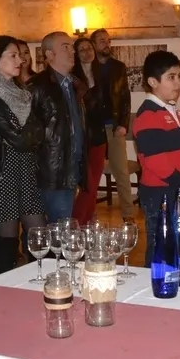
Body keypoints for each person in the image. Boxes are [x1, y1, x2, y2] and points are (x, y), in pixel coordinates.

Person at [0, 35, 44, 274]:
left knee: (38, 233)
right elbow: (18, 138)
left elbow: (38, 128)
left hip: (26, 167)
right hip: (2, 170)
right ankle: (3, 284)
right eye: (13, 55)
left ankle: (40, 280)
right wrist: (31, 134)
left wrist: (31, 134)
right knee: (7, 237)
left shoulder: (23, 91)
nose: (21, 60)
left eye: (20, 55)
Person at [132, 50, 180, 267]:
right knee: (160, 248)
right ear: (152, 82)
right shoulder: (148, 116)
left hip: (179, 190)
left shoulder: (176, 113)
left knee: (176, 245)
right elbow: (157, 163)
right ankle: (149, 291)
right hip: (160, 194)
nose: (177, 83)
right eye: (171, 77)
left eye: (179, 76)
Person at [29, 31, 87, 223]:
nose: (72, 51)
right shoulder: (37, 86)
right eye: (65, 47)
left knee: (63, 225)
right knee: (60, 228)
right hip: (52, 170)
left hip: (72, 165)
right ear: (49, 55)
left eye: (72, 47)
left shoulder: (75, 84)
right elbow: (29, 129)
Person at [90, 29, 135, 223]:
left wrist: (124, 124)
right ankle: (89, 214)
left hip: (114, 126)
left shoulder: (118, 67)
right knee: (90, 173)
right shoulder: (87, 67)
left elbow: (125, 97)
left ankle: (128, 215)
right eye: (102, 41)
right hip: (92, 128)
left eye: (108, 41)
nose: (106, 44)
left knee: (122, 172)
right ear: (93, 44)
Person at [71, 36, 107, 224]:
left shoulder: (101, 73)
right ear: (76, 54)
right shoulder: (73, 76)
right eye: (82, 49)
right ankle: (78, 221)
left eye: (89, 48)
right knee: (87, 183)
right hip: (82, 135)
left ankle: (87, 220)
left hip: (99, 134)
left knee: (94, 182)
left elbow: (107, 103)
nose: (87, 52)